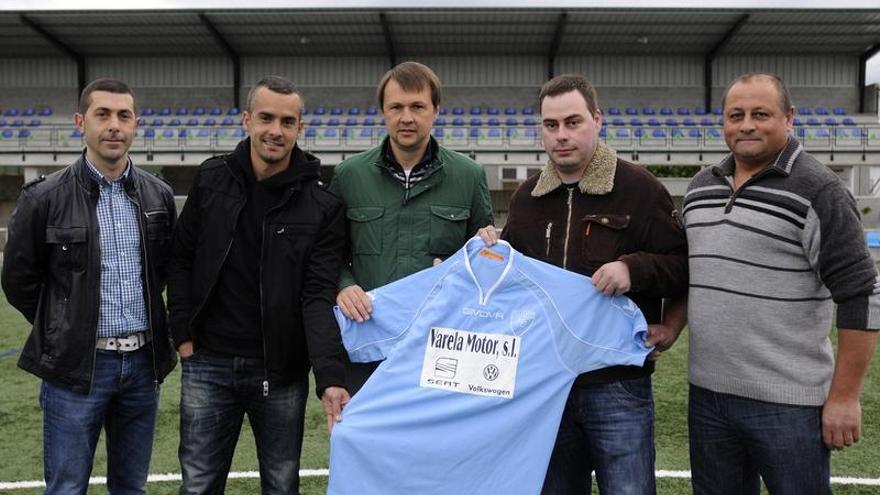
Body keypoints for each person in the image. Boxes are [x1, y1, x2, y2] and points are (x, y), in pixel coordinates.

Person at [478, 74, 688, 494]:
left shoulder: (640, 189)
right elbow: (513, 281)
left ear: (597, 119)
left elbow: (684, 265)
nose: (561, 136)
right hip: (546, 385)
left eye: (573, 122)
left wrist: (634, 268)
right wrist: (487, 255)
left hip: (618, 384)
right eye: (551, 125)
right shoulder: (527, 198)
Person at [683, 72, 879, 494]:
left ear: (789, 117)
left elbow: (862, 295)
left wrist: (844, 397)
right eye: (736, 115)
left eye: (761, 114)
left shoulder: (820, 190)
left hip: (789, 405)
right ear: (723, 122)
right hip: (707, 398)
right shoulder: (699, 190)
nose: (747, 125)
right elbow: (691, 279)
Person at [166, 75, 349, 495]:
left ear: (300, 128)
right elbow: (180, 258)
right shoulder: (212, 179)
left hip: (282, 371)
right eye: (266, 118)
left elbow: (318, 293)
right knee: (197, 485)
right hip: (207, 363)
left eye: (287, 122)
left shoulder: (322, 204)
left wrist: (329, 375)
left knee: (282, 485)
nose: (275, 130)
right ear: (247, 119)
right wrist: (183, 336)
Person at [1, 78, 177, 495]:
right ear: (82, 122)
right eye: (103, 114)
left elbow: (165, 273)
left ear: (136, 125)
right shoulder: (43, 197)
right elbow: (18, 280)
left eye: (124, 116)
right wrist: (65, 326)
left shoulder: (160, 196)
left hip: (141, 367)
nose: (114, 125)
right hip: (75, 369)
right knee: (66, 488)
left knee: (131, 488)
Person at [331, 61, 493, 395]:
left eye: (418, 106)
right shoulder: (349, 176)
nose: (407, 117)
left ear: (436, 110)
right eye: (397, 107)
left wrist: (484, 250)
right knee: (368, 442)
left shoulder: (469, 176)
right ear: (383, 112)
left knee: (437, 443)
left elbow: (485, 259)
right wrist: (344, 285)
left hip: (440, 346)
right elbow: (327, 252)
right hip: (369, 340)